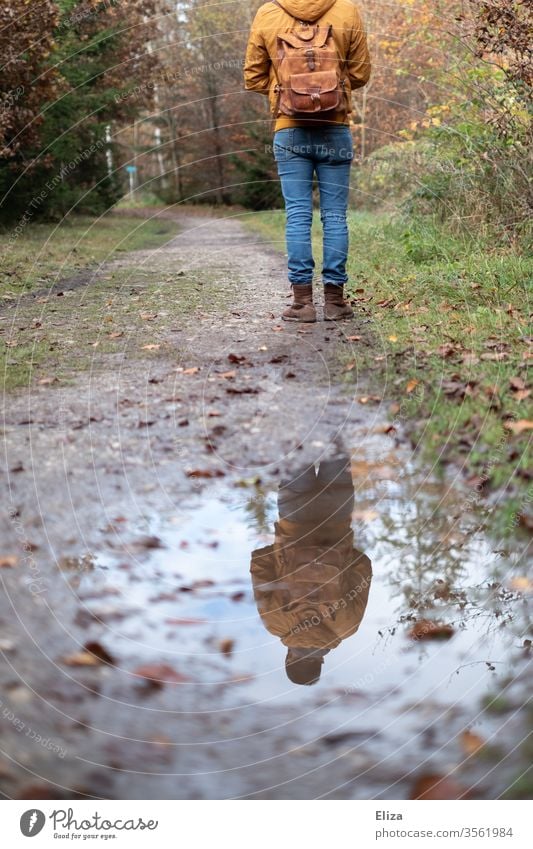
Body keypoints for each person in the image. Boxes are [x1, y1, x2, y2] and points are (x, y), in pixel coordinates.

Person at [244, 0, 371, 322]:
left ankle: (302, 304)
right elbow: (360, 72)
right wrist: (328, 91)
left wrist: (289, 94)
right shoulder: (346, 10)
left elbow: (253, 76)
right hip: (336, 128)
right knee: (335, 217)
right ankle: (335, 302)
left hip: (290, 131)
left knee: (298, 215)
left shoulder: (267, 13)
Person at [250, 455, 372, 685]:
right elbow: (259, 563)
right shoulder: (274, 623)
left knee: (335, 440)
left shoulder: (347, 626)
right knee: (299, 441)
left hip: (338, 513)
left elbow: (363, 567)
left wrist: (338, 552)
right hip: (294, 517)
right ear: (289, 659)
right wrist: (284, 551)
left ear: (319, 663)